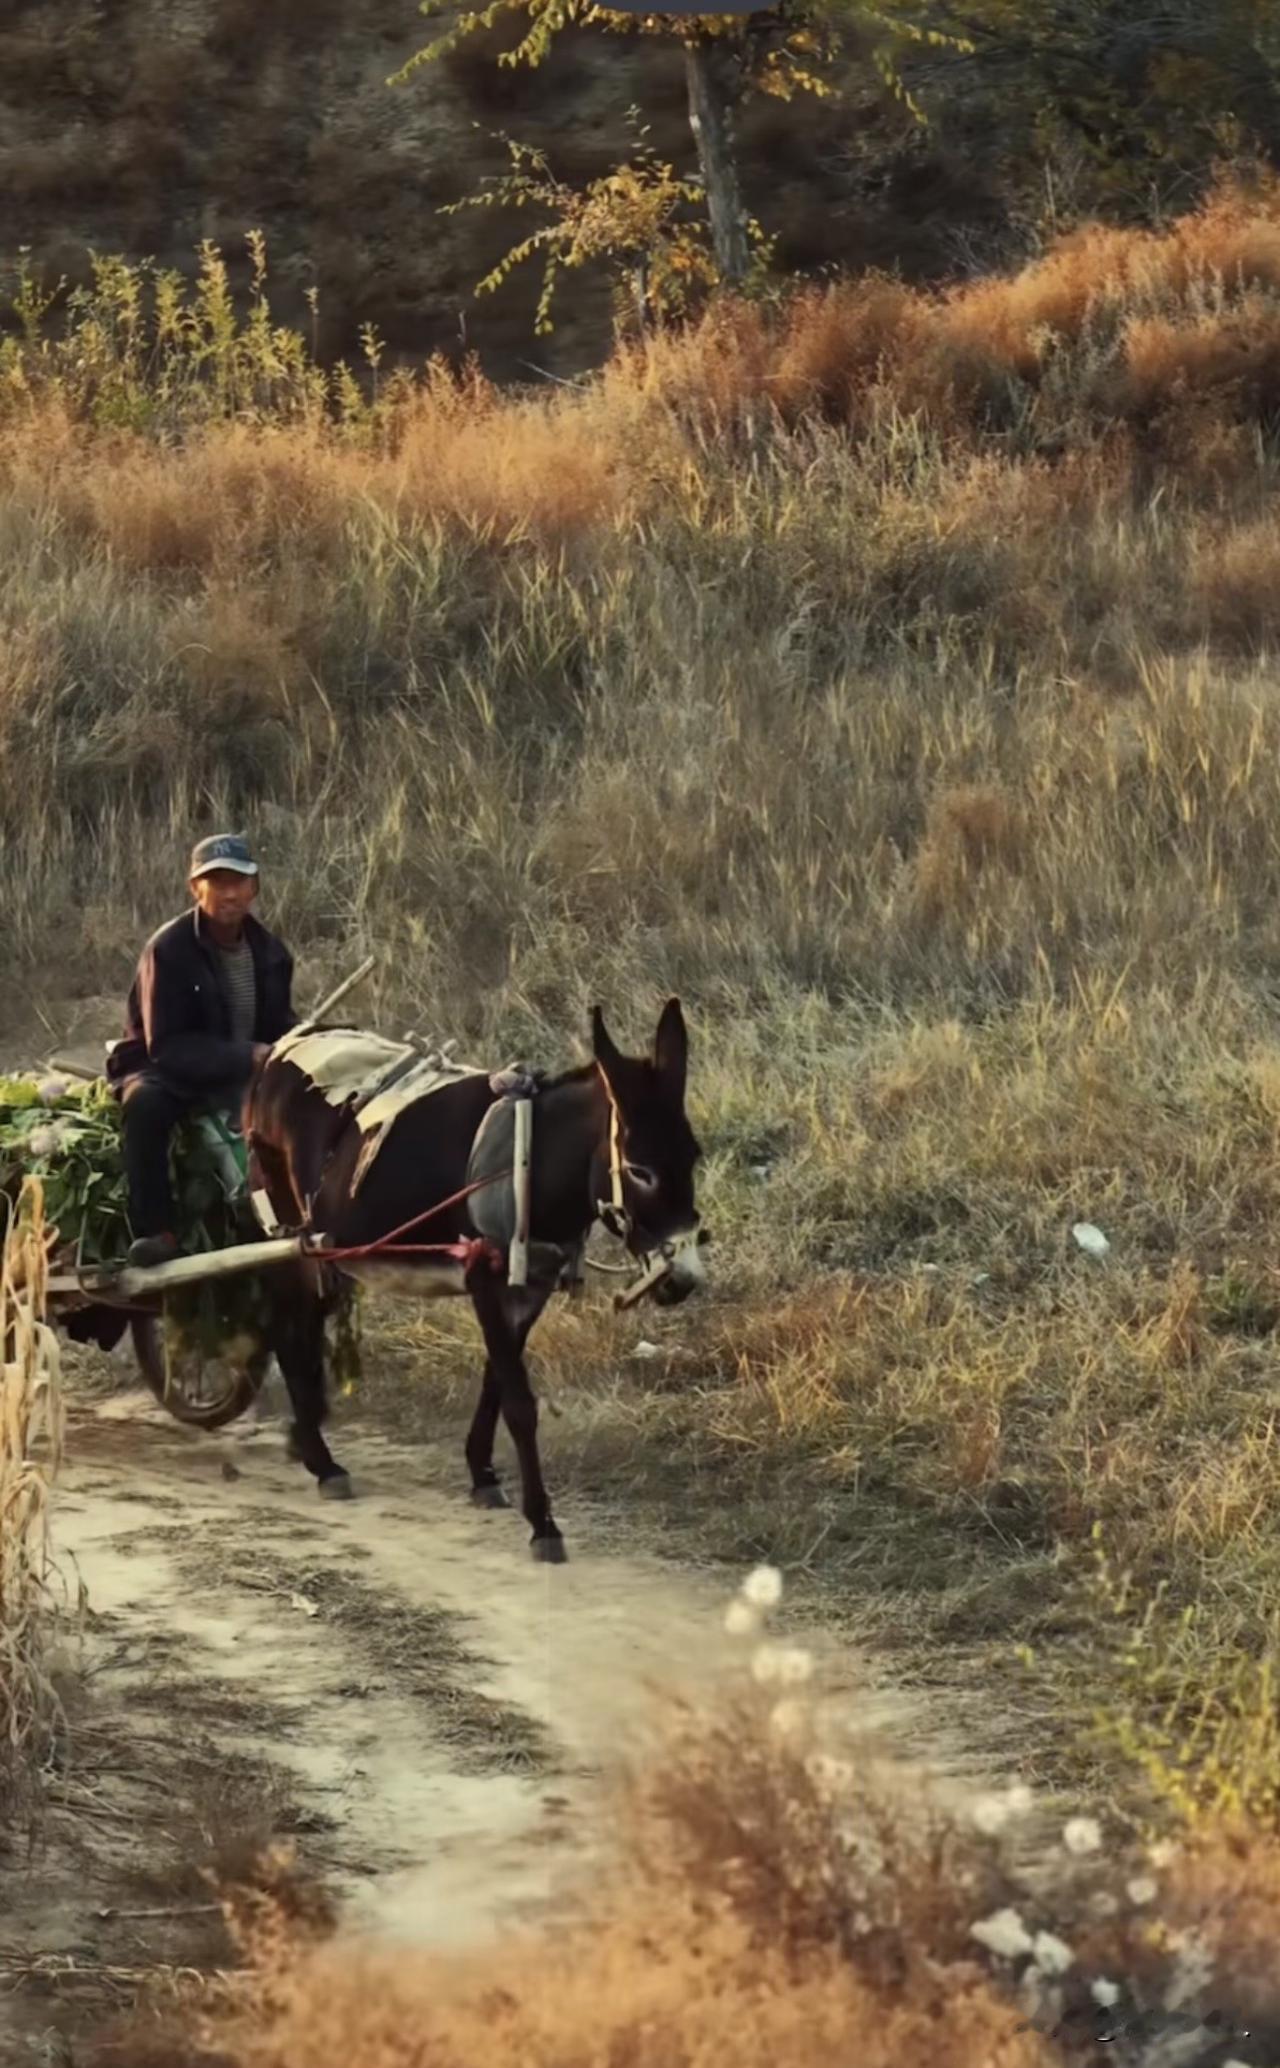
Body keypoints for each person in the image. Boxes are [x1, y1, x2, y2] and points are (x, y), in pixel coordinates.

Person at [106, 833, 297, 1268]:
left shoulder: (271, 953)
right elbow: (167, 1045)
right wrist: (245, 1056)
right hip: (168, 1069)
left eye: (239, 881)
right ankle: (157, 1230)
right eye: (218, 881)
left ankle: (299, 1215)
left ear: (255, 888)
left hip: (243, 1072)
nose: (230, 892)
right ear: (196, 888)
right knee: (145, 1106)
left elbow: (278, 1024)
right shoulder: (169, 950)